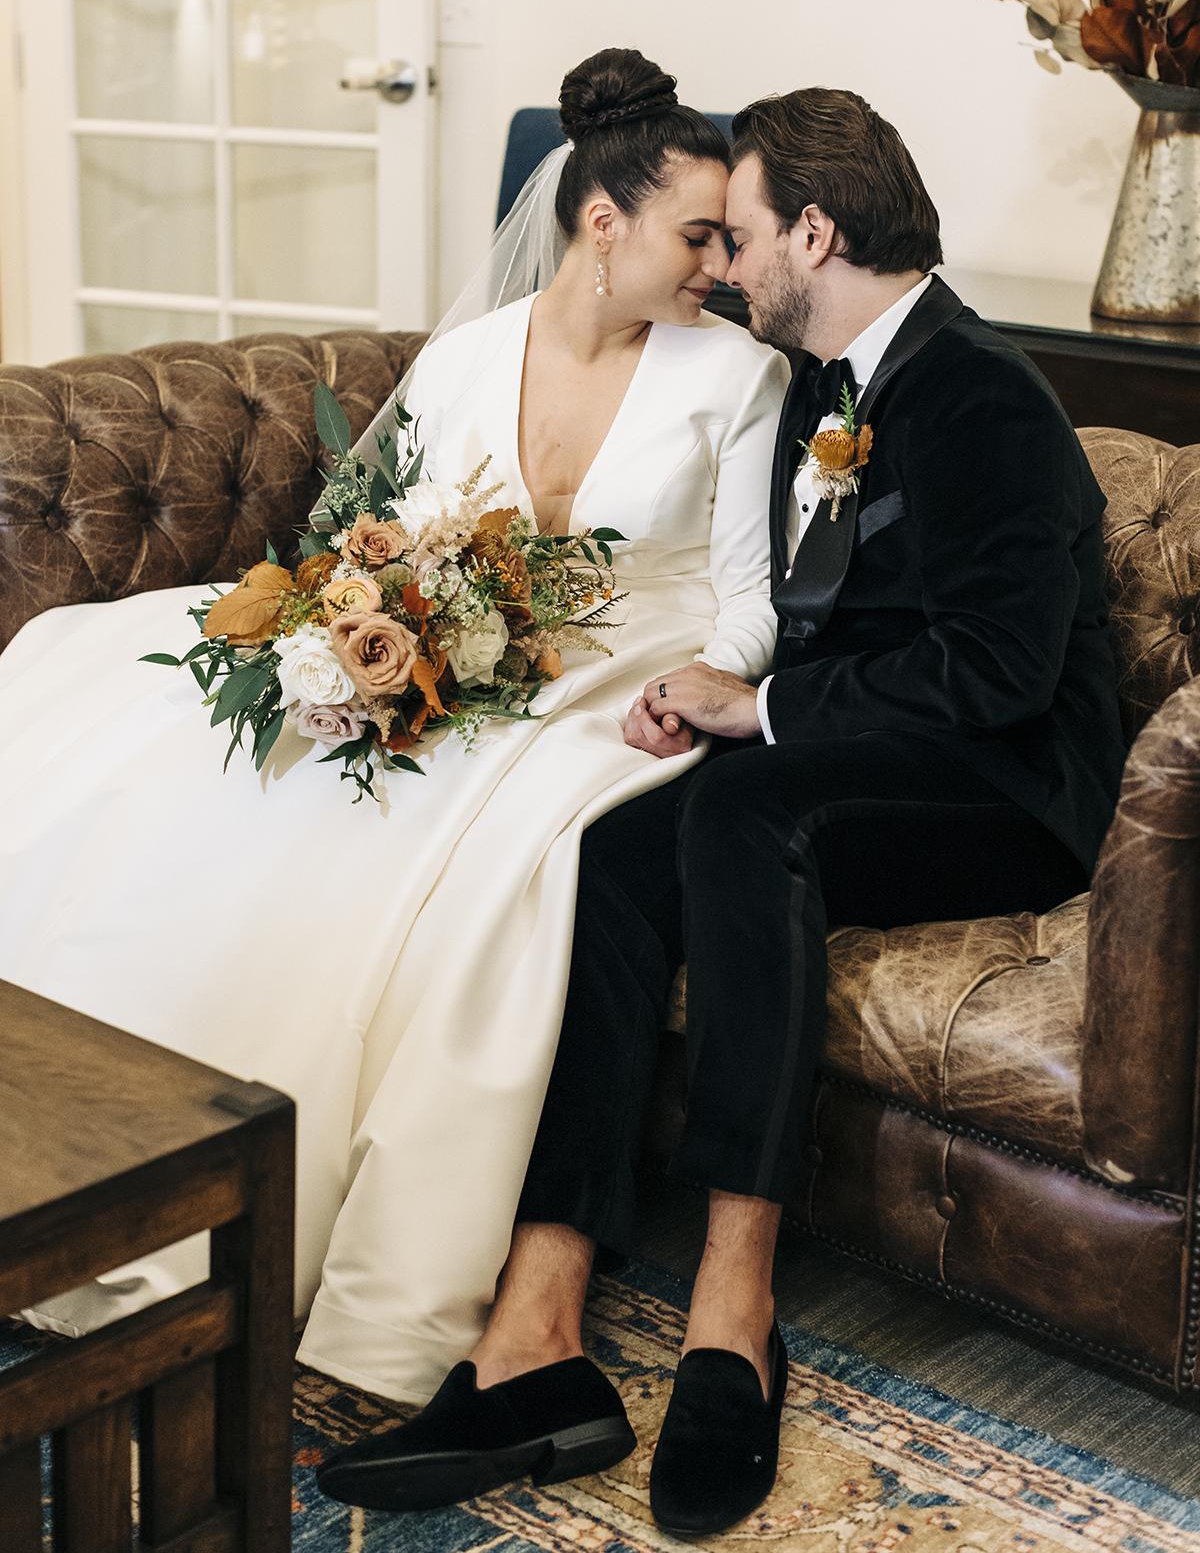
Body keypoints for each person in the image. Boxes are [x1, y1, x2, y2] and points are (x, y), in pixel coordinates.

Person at [321, 88, 1126, 1534]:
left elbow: (999, 676)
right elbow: (804, 616)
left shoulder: (979, 390)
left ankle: (731, 1305)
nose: (726, 269)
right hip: (873, 749)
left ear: (815, 231)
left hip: (1013, 789)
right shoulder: (825, 386)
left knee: (746, 816)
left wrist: (756, 718)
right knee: (615, 845)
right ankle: (540, 1327)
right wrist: (694, 694)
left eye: (744, 238)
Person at [0, 49, 789, 1419]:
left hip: (631, 675)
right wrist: (382, 633)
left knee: (480, 856)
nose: (721, 262)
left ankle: (317, 1225)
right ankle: (87, 1160)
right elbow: (383, 535)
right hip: (457, 655)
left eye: (729, 237)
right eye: (698, 233)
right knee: (199, 754)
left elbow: (751, 600)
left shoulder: (736, 376)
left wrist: (715, 682)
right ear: (603, 224)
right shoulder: (469, 357)